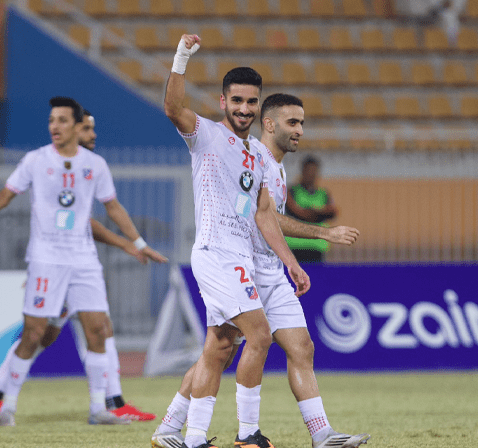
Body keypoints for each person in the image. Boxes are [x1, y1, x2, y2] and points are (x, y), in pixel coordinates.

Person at [152, 94, 370, 448]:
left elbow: (268, 218)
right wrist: (322, 233)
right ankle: (187, 427)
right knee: (220, 349)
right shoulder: (252, 156)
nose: (300, 130)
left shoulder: (276, 164)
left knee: (301, 347)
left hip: (268, 270)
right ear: (270, 124)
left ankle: (321, 433)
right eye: (293, 123)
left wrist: (288, 263)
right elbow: (267, 215)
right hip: (241, 267)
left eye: (301, 123)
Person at [0, 97, 150, 426]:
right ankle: (6, 404)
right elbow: (3, 197)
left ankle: (99, 407)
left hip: (83, 260)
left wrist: (137, 242)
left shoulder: (95, 165)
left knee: (98, 329)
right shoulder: (35, 160)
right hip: (47, 259)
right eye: (51, 120)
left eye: (62, 120)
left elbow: (113, 207)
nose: (54, 127)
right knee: (35, 334)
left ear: (77, 126)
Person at [159, 34, 309, 448]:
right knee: (259, 335)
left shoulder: (254, 155)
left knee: (220, 346)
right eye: (237, 101)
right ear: (223, 102)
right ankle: (247, 435)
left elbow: (264, 215)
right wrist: (181, 59)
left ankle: (185, 436)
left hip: (239, 257)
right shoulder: (205, 134)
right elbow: (173, 107)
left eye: (251, 102)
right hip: (216, 254)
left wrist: (289, 261)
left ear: (258, 107)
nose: (244, 109)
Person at [285, 156, 339, 263]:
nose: (311, 174)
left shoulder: (324, 194)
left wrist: (310, 212)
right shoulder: (292, 191)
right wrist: (318, 213)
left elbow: (333, 212)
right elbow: (298, 213)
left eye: (314, 171)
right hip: (295, 248)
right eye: (309, 170)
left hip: (316, 248)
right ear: (303, 171)